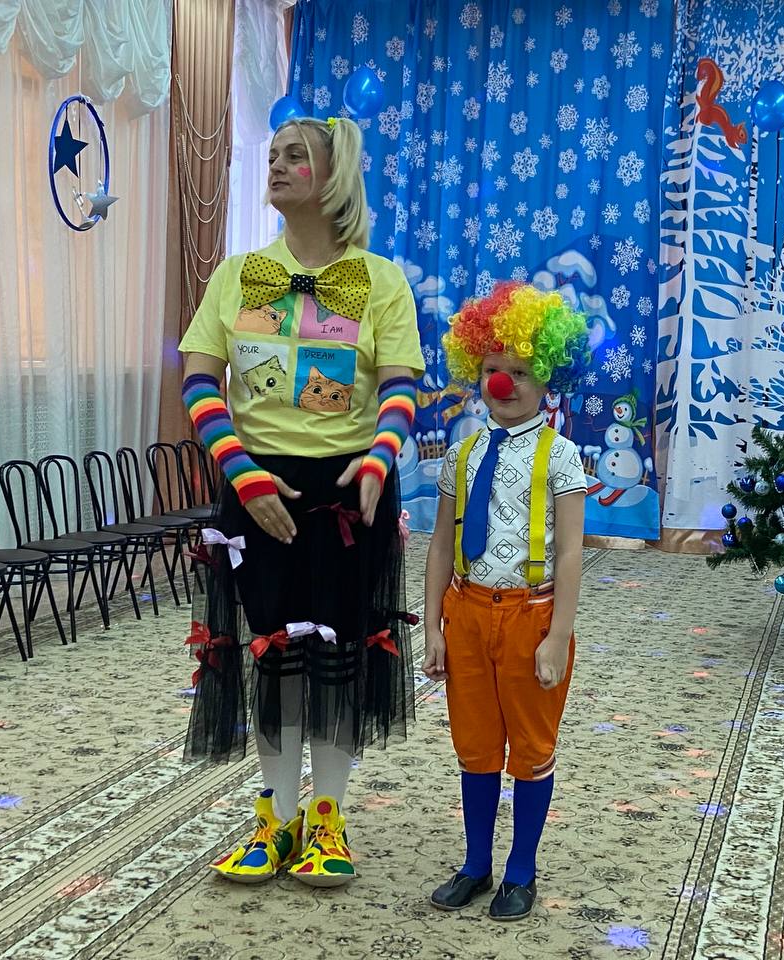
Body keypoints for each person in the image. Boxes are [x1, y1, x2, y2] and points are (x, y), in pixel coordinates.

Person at [178, 114, 423, 888]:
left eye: (297, 156)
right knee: (272, 655)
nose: (277, 165)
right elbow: (198, 379)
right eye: (274, 154)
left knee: (338, 660)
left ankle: (326, 819)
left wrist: (381, 457)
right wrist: (239, 471)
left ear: (334, 175)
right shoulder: (239, 274)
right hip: (255, 487)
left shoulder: (379, 280)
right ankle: (275, 819)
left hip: (345, 494)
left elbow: (400, 386)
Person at [422, 281, 590, 920]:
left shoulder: (562, 456)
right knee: (475, 744)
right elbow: (441, 546)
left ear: (548, 376)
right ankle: (475, 864)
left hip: (531, 615)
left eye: (520, 371)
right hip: (466, 612)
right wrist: (434, 626)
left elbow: (571, 553)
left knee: (531, 746)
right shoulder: (462, 454)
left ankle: (521, 870)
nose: (504, 383)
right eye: (494, 369)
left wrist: (557, 636)